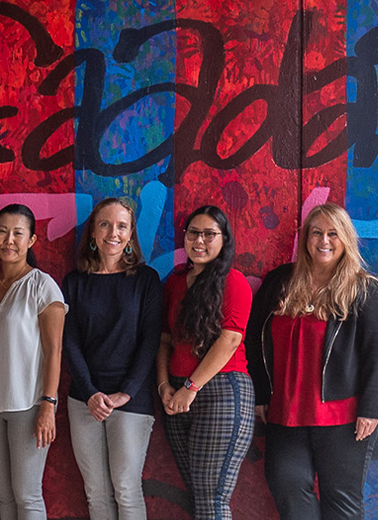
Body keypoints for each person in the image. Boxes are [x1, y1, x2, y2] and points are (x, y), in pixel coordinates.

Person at [245, 204, 378, 520]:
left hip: (344, 416)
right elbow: (254, 338)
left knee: (341, 502)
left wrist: (372, 409)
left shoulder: (363, 288)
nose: (324, 241)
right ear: (305, 239)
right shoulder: (279, 282)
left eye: (333, 234)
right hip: (285, 412)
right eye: (317, 233)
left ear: (345, 240)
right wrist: (261, 393)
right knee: (287, 486)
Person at [61, 198, 163, 520]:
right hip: (84, 399)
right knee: (97, 493)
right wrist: (90, 391)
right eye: (105, 224)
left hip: (131, 400)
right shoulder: (74, 282)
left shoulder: (145, 280)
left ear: (131, 234)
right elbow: (69, 341)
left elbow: (150, 341)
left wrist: (126, 392)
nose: (113, 233)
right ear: (93, 231)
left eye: (122, 226)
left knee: (126, 487)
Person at [0, 204, 67, 520]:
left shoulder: (42, 286)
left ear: (32, 240)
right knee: (6, 497)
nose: (9, 240)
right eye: (2, 231)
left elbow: (55, 351)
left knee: (27, 496)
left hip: (28, 406)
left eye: (18, 233)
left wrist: (48, 406)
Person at [157, 205, 256, 520]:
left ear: (224, 240)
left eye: (209, 234)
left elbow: (229, 340)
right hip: (176, 396)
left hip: (221, 392)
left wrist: (191, 387)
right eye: (193, 233)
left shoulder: (234, 281)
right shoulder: (174, 282)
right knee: (199, 496)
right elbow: (164, 340)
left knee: (212, 500)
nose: (199, 241)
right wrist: (164, 387)